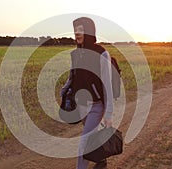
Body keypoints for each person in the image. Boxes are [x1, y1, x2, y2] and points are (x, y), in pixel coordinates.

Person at [61, 17, 114, 169]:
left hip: (96, 106)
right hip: (81, 105)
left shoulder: (102, 53)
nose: (77, 33)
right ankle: (100, 160)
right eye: (75, 30)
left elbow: (107, 86)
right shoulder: (75, 54)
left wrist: (109, 113)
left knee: (83, 144)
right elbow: (72, 75)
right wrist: (64, 90)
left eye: (81, 30)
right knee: (91, 137)